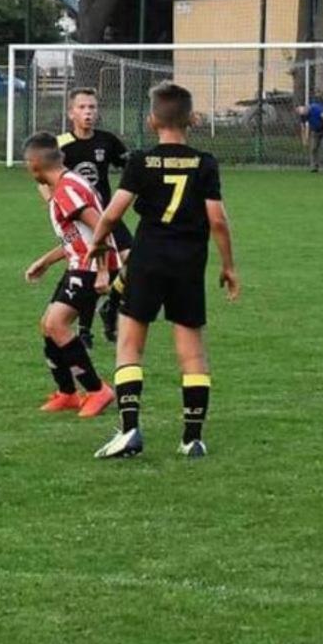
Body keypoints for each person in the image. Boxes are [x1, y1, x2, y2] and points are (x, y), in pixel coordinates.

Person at [87, 81, 240, 459]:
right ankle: (192, 439)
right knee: (192, 354)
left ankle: (129, 431)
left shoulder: (142, 161)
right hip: (189, 264)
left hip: (148, 259)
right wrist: (228, 266)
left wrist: (99, 241)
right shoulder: (205, 162)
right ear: (190, 119)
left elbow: (115, 210)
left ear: (153, 120)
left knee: (129, 345)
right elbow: (217, 220)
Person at [22, 132, 116, 418]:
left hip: (90, 268)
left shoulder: (67, 189)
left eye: (26, 164)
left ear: (35, 163)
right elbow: (78, 237)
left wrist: (102, 271)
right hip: (80, 264)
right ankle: (67, 393)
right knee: (47, 325)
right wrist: (46, 261)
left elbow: (101, 225)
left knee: (57, 325)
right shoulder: (65, 186)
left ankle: (97, 390)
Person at [54, 88, 132, 344]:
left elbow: (129, 167)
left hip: (109, 215)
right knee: (90, 273)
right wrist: (52, 199)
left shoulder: (106, 140)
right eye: (82, 107)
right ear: (70, 113)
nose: (88, 112)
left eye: (92, 107)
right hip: (80, 219)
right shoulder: (61, 145)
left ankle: (111, 306)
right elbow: (45, 176)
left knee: (132, 264)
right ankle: (84, 330)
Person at [296, 100, 323, 172]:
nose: (304, 115)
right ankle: (315, 166)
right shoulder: (303, 116)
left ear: (305, 108)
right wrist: (304, 140)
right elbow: (303, 128)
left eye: (304, 112)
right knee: (313, 149)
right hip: (315, 132)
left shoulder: (316, 108)